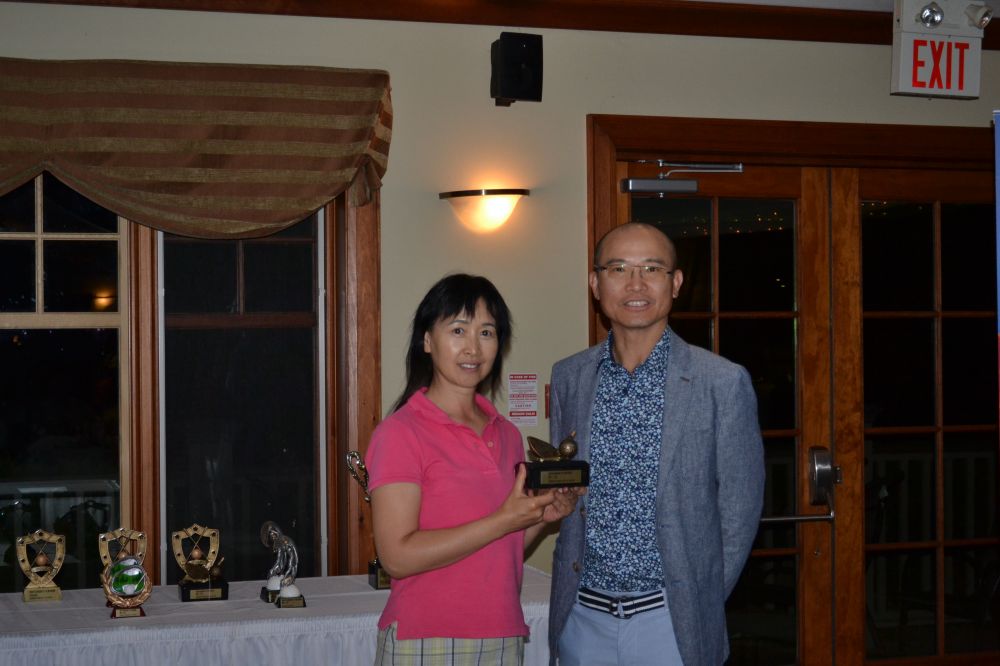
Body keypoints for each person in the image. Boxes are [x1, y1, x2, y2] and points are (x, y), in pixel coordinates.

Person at [547, 222, 765, 666]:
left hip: (671, 625)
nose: (636, 284)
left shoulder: (721, 382)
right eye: (618, 269)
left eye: (652, 269)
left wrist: (697, 599)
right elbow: (563, 487)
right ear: (595, 284)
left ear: (676, 283)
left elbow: (740, 513)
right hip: (582, 618)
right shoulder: (570, 376)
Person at [366, 273, 579, 666]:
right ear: (427, 341)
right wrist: (503, 520)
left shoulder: (508, 434)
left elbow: (501, 546)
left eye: (486, 332)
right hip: (427, 637)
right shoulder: (400, 433)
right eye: (458, 330)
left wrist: (540, 517)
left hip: (503, 630)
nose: (473, 347)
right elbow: (396, 557)